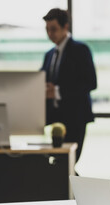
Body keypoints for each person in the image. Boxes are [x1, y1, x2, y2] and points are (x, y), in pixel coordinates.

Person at [41, 8, 97, 161]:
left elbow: (91, 82)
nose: (50, 34)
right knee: (60, 164)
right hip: (55, 119)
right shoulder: (49, 55)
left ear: (65, 27)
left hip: (75, 117)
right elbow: (41, 80)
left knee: (68, 163)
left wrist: (57, 92)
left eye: (53, 29)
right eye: (47, 30)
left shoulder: (80, 50)